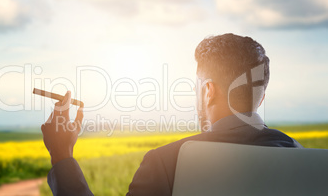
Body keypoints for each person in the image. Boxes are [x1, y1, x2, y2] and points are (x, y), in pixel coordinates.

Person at [40, 33, 303, 196]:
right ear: (262, 98)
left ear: (208, 91)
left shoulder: (165, 164)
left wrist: (62, 156)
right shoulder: (301, 157)